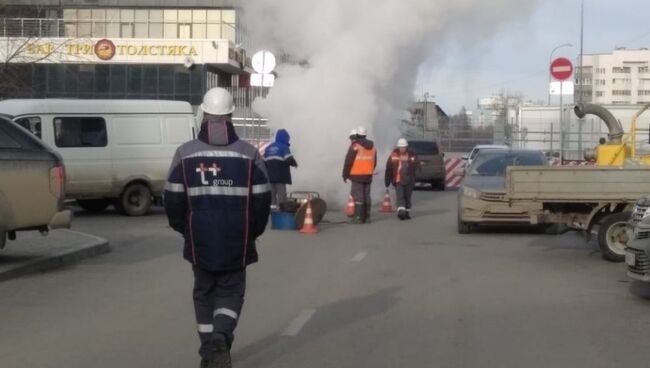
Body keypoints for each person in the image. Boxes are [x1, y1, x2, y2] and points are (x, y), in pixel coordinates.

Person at [164, 87, 271, 368]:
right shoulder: (249, 155)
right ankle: (222, 336)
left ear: (203, 113)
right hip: (238, 238)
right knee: (231, 292)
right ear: (231, 114)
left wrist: (184, 229)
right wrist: (254, 230)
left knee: (203, 294)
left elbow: (172, 199)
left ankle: (208, 350)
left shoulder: (185, 153)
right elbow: (262, 199)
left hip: (199, 241)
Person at [343, 126, 377, 224]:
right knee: (366, 195)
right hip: (368, 175)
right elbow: (374, 162)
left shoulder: (355, 146)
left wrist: (345, 174)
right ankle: (367, 217)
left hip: (357, 175)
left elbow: (348, 162)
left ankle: (358, 218)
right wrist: (369, 170)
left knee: (358, 197)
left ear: (357, 135)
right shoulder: (373, 146)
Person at [263, 129, 298, 211]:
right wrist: (295, 164)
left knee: (272, 194)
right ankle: (281, 211)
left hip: (269, 176)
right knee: (281, 194)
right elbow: (288, 158)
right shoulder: (284, 147)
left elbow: (264, 162)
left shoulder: (268, 148)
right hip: (280, 176)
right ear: (285, 138)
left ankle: (271, 211)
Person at [385, 138, 418, 220]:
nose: (402, 149)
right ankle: (401, 213)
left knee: (407, 197)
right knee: (400, 197)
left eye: (404, 147)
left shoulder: (412, 155)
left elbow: (417, 167)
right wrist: (387, 180)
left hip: (409, 180)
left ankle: (407, 213)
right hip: (398, 180)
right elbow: (388, 168)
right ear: (398, 147)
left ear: (407, 147)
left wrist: (416, 177)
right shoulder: (393, 155)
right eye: (401, 147)